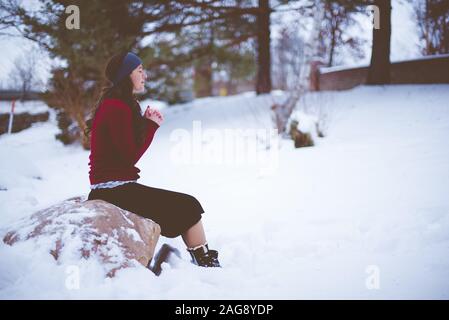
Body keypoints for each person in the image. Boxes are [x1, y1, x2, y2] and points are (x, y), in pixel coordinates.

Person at [86, 51, 220, 268]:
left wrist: (146, 123)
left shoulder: (121, 103)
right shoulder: (116, 107)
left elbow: (127, 149)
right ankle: (205, 263)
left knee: (187, 205)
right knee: (189, 206)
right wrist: (150, 126)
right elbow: (129, 156)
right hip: (113, 191)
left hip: (117, 187)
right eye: (139, 70)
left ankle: (201, 260)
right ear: (125, 75)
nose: (144, 75)